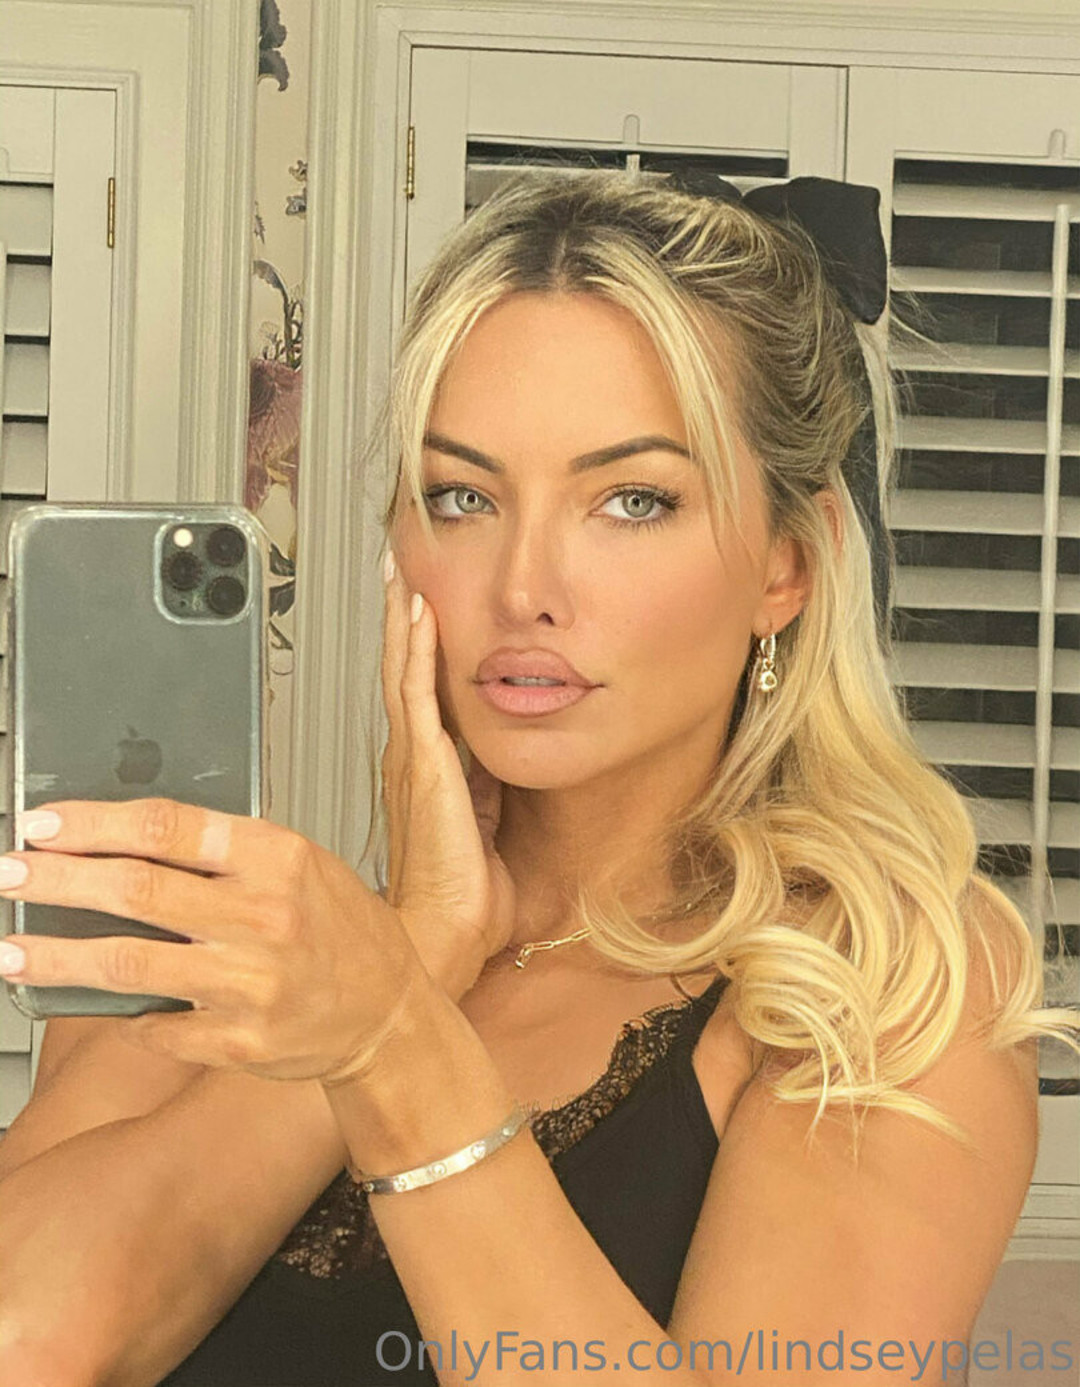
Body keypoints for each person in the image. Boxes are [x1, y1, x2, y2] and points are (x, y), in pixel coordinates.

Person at [0, 169, 1076, 1387]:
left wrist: (395, 1044)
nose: (524, 588)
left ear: (787, 565)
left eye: (632, 500)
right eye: (463, 496)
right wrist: (414, 951)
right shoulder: (252, 956)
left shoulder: (886, 986)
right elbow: (26, 1343)